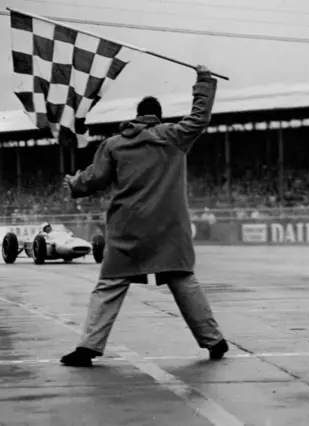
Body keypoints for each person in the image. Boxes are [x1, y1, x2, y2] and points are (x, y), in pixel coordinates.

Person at [60, 65, 228, 367]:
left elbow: (94, 178)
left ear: (136, 116)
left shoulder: (114, 144)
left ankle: (88, 347)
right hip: (168, 228)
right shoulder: (174, 137)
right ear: (158, 117)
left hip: (128, 227)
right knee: (183, 280)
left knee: (109, 286)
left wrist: (73, 184)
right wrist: (203, 81)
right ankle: (214, 341)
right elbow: (199, 118)